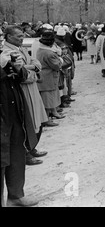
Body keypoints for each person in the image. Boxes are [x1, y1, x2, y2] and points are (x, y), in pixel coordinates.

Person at [1, 26, 49, 166]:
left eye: (22, 36)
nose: (22, 39)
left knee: (37, 120)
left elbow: (34, 61)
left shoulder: (20, 48)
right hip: (23, 89)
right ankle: (25, 153)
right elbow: (19, 72)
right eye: (19, 36)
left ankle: (32, 147)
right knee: (27, 122)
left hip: (32, 87)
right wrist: (32, 69)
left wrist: (32, 67)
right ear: (9, 37)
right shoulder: (7, 52)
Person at [0, 36, 39, 207]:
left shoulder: (4, 54)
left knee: (17, 153)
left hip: (14, 112)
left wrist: (18, 67)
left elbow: (21, 77)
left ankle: (15, 196)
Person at [36, 30, 65, 124]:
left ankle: (54, 112)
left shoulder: (40, 50)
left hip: (45, 76)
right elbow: (57, 65)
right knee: (48, 98)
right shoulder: (50, 54)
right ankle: (47, 119)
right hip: (48, 77)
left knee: (51, 96)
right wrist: (60, 59)